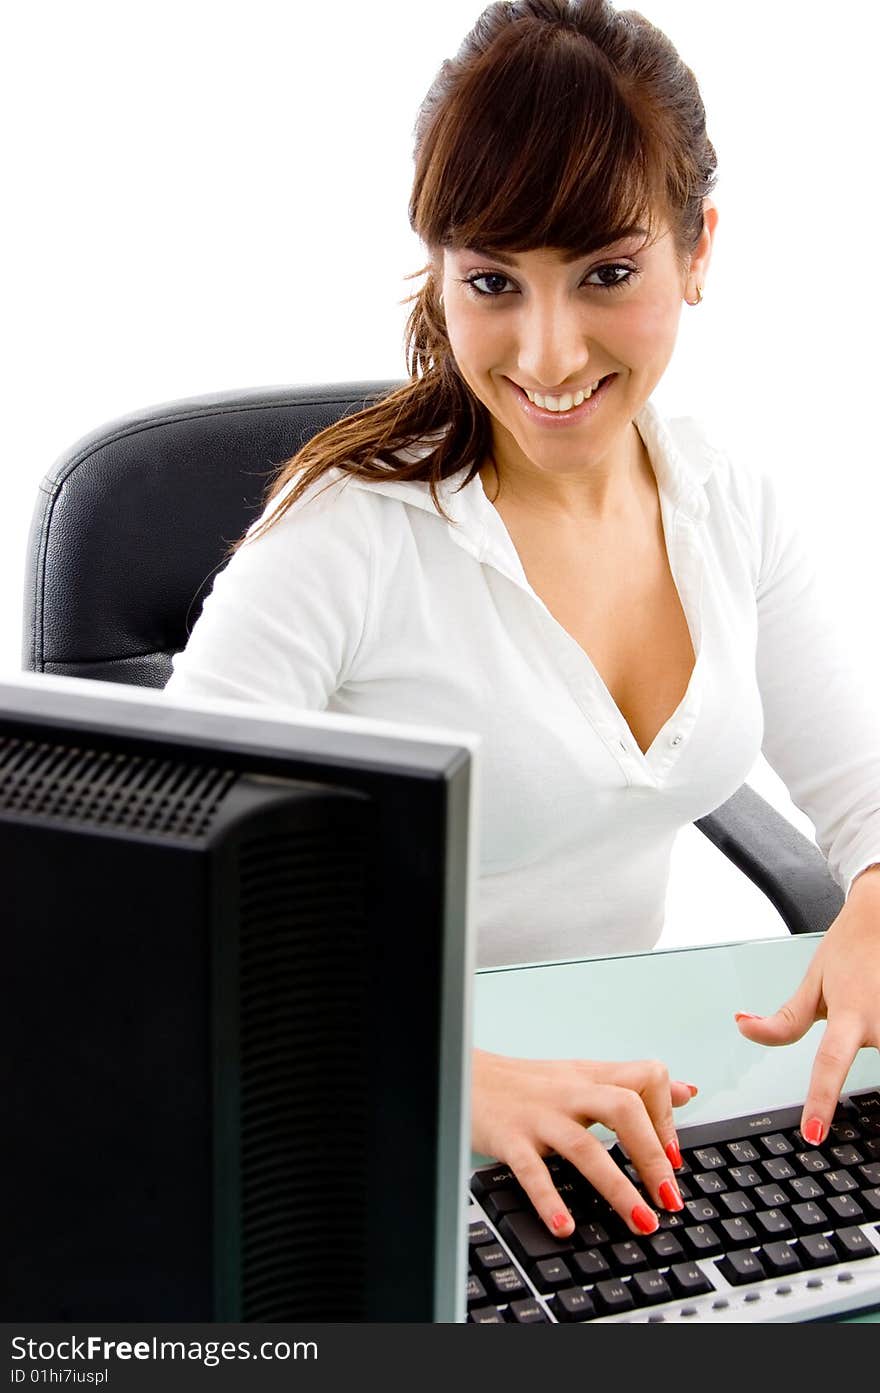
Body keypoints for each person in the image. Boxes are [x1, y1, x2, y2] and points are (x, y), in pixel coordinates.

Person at [164, 0, 880, 1244]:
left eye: (607, 273)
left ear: (697, 249)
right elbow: (152, 914)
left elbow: (864, 796)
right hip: (354, 1104)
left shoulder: (722, 495)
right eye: (492, 282)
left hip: (621, 1092)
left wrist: (872, 904)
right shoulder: (343, 538)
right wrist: (451, 1075)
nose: (548, 357)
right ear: (440, 272)